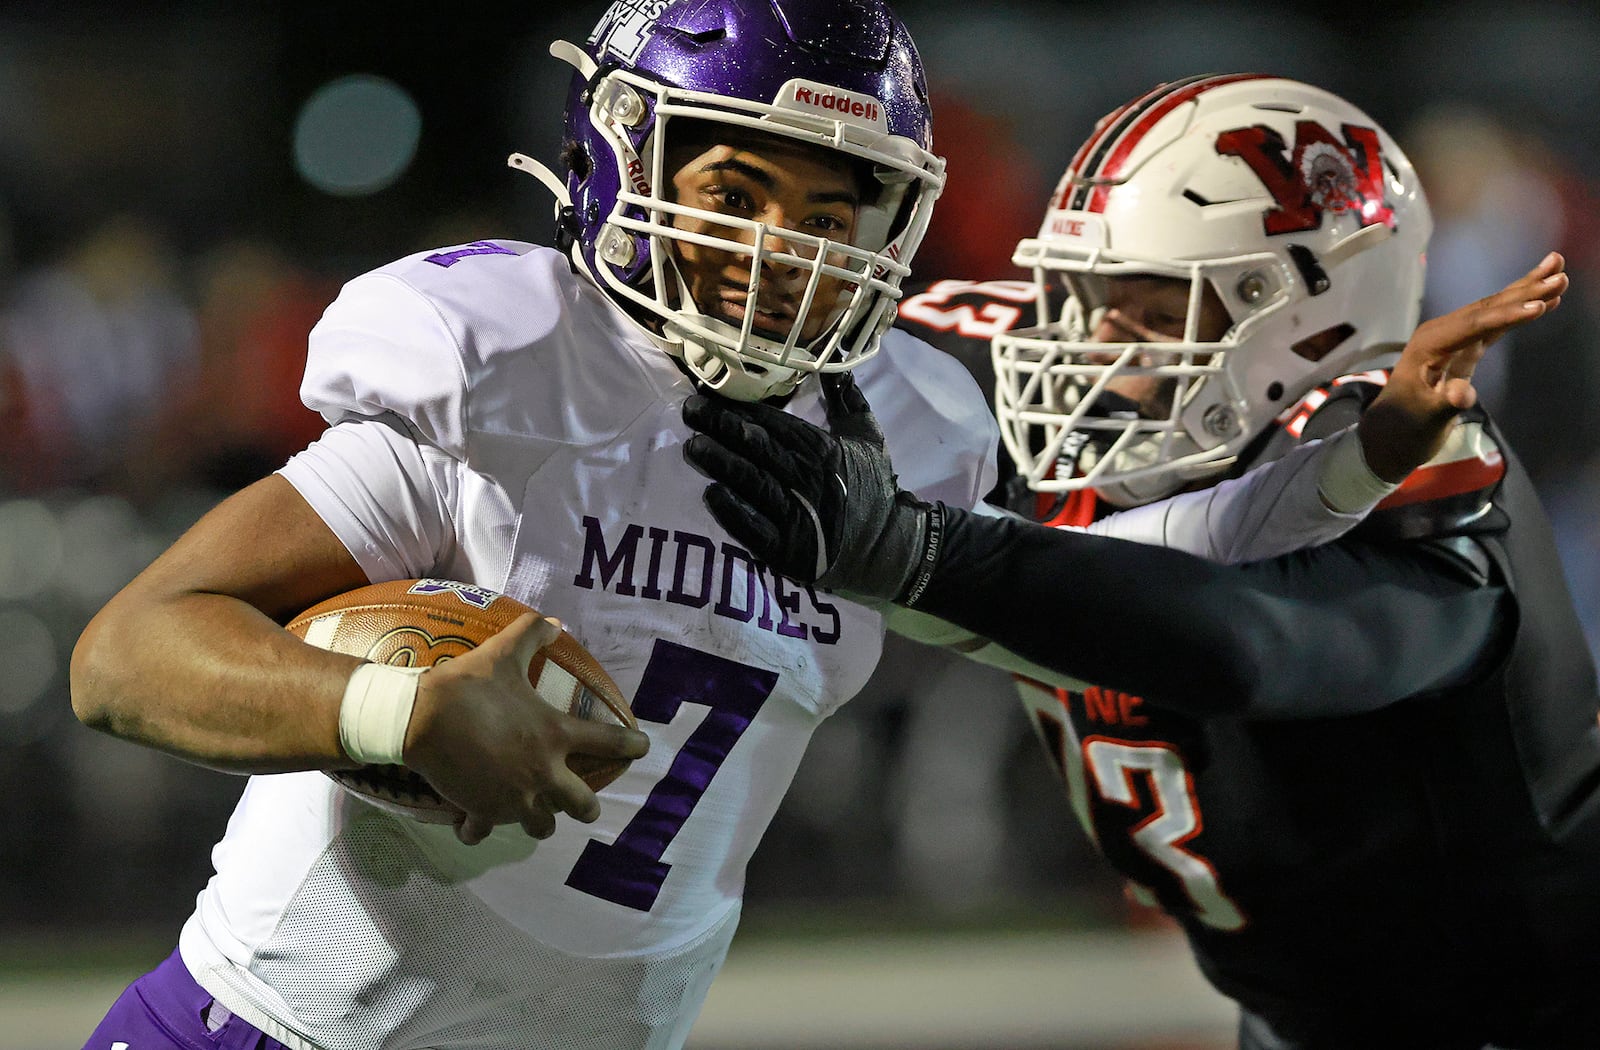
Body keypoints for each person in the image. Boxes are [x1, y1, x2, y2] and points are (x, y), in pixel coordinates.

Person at [65, 27, 1517, 1048]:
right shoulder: (509, 374)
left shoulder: (902, 435)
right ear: (628, 167)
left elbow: (1143, 579)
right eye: (737, 189)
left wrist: (1346, 469)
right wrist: (389, 707)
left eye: (834, 206)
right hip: (278, 1030)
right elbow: (126, 651)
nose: (783, 246)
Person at [680, 75, 1597, 1049]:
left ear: (1307, 319)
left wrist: (920, 557)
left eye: (1154, 312)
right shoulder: (1087, 417)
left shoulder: (1404, 447)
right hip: (1308, 1016)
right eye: (1083, 301)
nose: (1093, 350)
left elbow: (1255, 647)